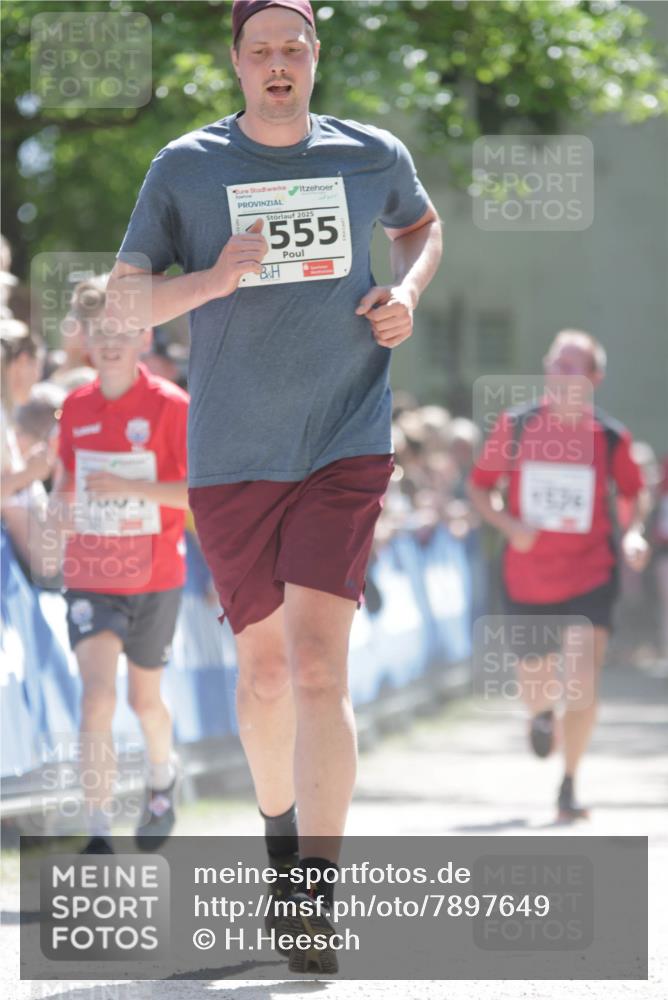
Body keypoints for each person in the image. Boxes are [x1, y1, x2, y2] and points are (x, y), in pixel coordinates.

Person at [106, 0, 442, 972]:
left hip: (345, 435)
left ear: (315, 55)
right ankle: (277, 836)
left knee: (316, 668)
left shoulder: (367, 154)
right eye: (261, 51)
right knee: (260, 676)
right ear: (236, 63)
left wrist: (406, 297)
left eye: (294, 48)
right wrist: (208, 281)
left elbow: (421, 230)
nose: (279, 65)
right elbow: (128, 301)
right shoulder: (185, 166)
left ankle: (313, 897)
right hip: (231, 452)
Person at [468, 329, 650, 821]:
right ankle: (541, 716)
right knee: (536, 678)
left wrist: (633, 534)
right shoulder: (517, 425)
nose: (560, 374)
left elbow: (634, 492)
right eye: (555, 364)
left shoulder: (610, 437)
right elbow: (482, 487)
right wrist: (510, 524)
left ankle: (568, 784)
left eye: (573, 367)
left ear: (595, 379)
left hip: (591, 572)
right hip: (528, 575)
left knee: (583, 676)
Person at [50, 302, 189, 853]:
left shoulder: (171, 406)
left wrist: (133, 490)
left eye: (124, 332)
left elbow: (196, 493)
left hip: (155, 576)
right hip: (91, 573)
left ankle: (161, 780)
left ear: (144, 336)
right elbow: (65, 485)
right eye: (101, 332)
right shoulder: (74, 406)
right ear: (85, 337)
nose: (111, 342)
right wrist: (60, 509)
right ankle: (98, 830)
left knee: (144, 702)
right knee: (97, 699)